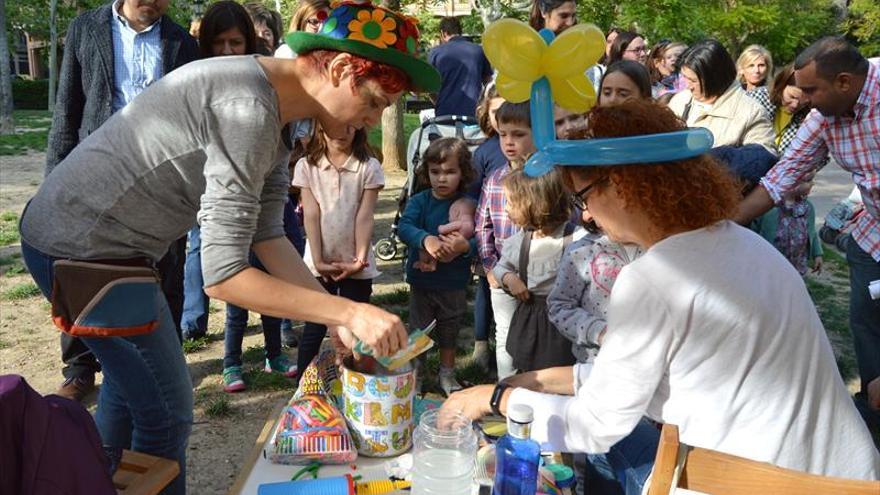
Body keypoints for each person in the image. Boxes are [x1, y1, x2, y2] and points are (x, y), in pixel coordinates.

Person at [19, 3, 434, 492]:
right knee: (167, 413)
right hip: (82, 248)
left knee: (133, 394)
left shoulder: (280, 110)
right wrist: (349, 315)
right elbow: (223, 275)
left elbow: (267, 234)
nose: (371, 120)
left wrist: (333, 317)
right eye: (375, 103)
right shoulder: (248, 108)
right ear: (342, 69)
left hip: (104, 247)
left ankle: (97, 479)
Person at [443, 101, 880, 493]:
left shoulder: (653, 278)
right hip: (846, 473)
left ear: (626, 185)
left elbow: (597, 426)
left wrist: (494, 400)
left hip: (750, 480)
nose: (587, 214)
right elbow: (643, 372)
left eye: (585, 197)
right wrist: (534, 381)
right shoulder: (748, 245)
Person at [44, 0, 199, 403]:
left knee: (166, 267)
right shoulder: (86, 28)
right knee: (78, 267)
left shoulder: (181, 41)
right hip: (94, 170)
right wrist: (54, 180)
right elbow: (67, 107)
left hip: (159, 178)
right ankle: (80, 367)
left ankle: (163, 360)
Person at [736, 37, 880, 429]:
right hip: (872, 236)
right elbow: (782, 176)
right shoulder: (823, 116)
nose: (803, 100)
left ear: (845, 83)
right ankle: (872, 400)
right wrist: (727, 221)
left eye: (812, 90)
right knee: (865, 321)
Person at [181, 0, 260, 343]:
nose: (227, 50)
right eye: (218, 43)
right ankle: (193, 321)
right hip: (201, 186)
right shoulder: (193, 81)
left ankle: (255, 334)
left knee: (244, 256)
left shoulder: (258, 85)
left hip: (243, 190)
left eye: (236, 43)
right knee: (200, 251)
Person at [293, 124, 384, 375]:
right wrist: (319, 260)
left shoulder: (369, 167)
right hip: (317, 262)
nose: (341, 132)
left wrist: (360, 259)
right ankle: (302, 390)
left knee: (356, 329)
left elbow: (365, 216)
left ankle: (358, 388)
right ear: (320, 126)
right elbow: (310, 214)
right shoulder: (306, 166)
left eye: (349, 125)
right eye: (335, 125)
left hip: (357, 262)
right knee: (314, 328)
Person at [398, 137, 477, 395]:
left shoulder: (468, 205)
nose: (441, 178)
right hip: (422, 284)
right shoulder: (420, 201)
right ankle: (415, 378)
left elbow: (479, 239)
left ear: (463, 173)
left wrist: (465, 248)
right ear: (426, 172)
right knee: (418, 333)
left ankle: (447, 375)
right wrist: (426, 239)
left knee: (449, 332)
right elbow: (405, 227)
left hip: (453, 283)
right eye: (435, 172)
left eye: (450, 172)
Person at [492, 169, 581, 372]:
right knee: (529, 371)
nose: (506, 209)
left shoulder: (576, 240)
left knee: (559, 372)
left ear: (536, 204)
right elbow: (499, 268)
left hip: (563, 324)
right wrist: (509, 278)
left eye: (512, 203)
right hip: (530, 320)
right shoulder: (519, 243)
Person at [475, 101, 536, 380]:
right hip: (501, 274)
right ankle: (507, 393)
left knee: (540, 337)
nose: (509, 142)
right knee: (505, 336)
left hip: (541, 275)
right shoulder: (494, 179)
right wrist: (489, 266)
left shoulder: (547, 177)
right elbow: (482, 225)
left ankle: (537, 392)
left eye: (519, 134)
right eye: (503, 134)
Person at [749, 64, 826, 276]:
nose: (796, 104)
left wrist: (805, 175)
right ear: (782, 84)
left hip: (784, 187)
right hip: (754, 184)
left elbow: (816, 156)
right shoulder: (757, 101)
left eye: (803, 100)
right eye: (792, 96)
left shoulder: (808, 116)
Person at [668, 40, 776, 153]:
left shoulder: (752, 113)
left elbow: (763, 158)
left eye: (693, 80)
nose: (688, 86)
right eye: (685, 77)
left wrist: (719, 158)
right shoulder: (680, 101)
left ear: (716, 78)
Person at [467, 82, 507, 371]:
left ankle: (508, 343)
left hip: (519, 234)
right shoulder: (484, 152)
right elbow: (472, 192)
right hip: (491, 233)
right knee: (485, 287)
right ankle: (481, 344)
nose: (502, 117)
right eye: (496, 112)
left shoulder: (529, 142)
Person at [428, 16, 492, 118]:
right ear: (460, 31)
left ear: (443, 33)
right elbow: (489, 84)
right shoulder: (479, 51)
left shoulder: (435, 53)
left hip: (444, 113)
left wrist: (439, 102)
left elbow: (429, 88)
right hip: (473, 114)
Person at [737, 44, 775, 116]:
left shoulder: (772, 95)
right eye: (751, 65)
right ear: (741, 69)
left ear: (768, 69)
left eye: (761, 65)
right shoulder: (734, 93)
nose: (756, 70)